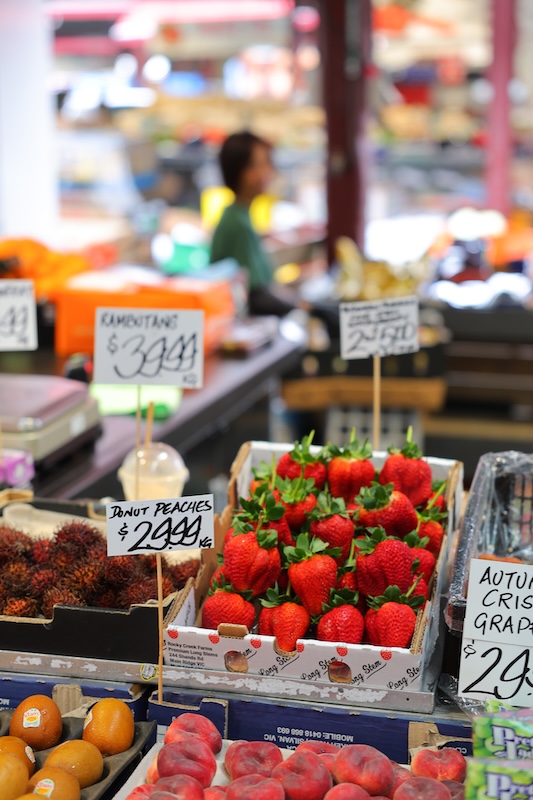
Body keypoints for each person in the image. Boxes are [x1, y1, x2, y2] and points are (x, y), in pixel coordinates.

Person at [210, 131, 301, 317]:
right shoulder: (238, 224)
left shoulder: (239, 215)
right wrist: (302, 308)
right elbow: (256, 296)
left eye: (266, 163)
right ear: (237, 169)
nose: (266, 172)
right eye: (256, 165)